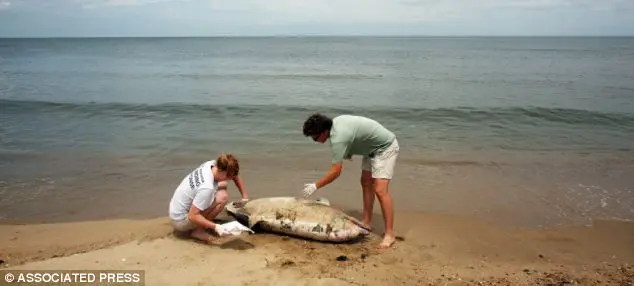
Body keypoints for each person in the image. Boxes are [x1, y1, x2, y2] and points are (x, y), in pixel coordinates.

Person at [301, 113, 400, 249]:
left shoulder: (338, 139)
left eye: (315, 137)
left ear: (324, 132)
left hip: (385, 147)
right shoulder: (334, 125)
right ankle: (366, 221)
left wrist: (315, 185)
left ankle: (389, 234)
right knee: (365, 182)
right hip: (371, 149)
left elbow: (336, 172)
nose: (315, 140)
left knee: (380, 189)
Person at [168, 153, 249, 243]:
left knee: (223, 185)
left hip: (174, 210)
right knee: (222, 197)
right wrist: (216, 227)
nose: (230, 179)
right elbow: (192, 216)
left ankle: (201, 223)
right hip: (180, 221)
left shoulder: (211, 164)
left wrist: (244, 197)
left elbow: (234, 174)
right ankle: (198, 231)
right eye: (228, 177)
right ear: (224, 172)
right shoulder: (207, 188)